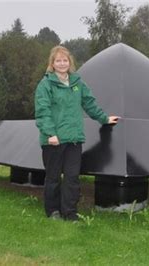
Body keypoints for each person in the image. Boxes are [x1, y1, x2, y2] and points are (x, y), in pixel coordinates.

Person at [35, 45, 120, 221]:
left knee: (72, 178)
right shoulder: (45, 85)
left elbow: (89, 103)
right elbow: (43, 111)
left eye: (65, 60)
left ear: (70, 62)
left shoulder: (77, 83)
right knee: (53, 178)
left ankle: (70, 212)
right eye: (58, 60)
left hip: (74, 139)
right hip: (54, 140)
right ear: (52, 63)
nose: (62, 63)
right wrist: (50, 133)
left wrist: (104, 118)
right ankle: (53, 211)